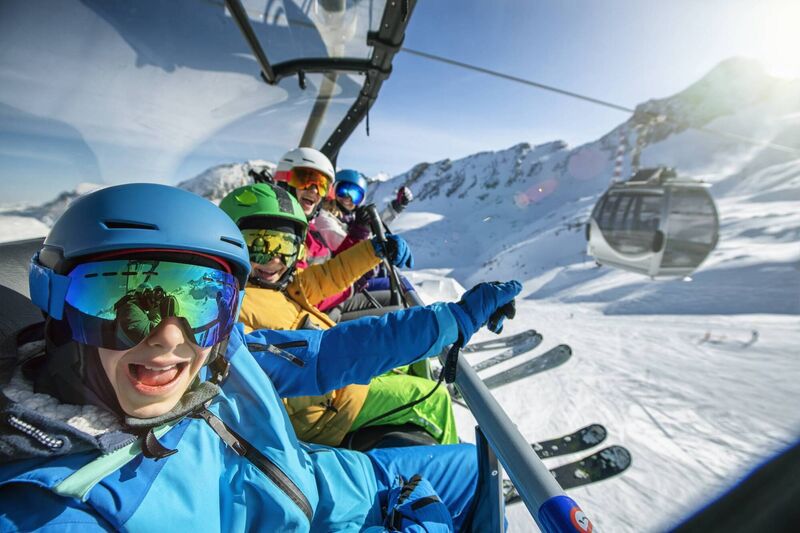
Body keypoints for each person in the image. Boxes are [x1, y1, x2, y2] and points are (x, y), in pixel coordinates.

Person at [0, 183, 521, 531]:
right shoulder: (63, 507)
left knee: (491, 471)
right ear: (56, 303)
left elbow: (326, 351)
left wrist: (453, 320)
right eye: (116, 300)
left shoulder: (224, 355)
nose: (168, 337)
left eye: (203, 299)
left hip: (349, 480)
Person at [220, 183, 455, 447]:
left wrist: (375, 250)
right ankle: (466, 480)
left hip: (340, 380)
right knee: (434, 401)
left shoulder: (282, 287)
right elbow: (273, 379)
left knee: (409, 362)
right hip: (329, 406)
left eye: (285, 247)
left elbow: (331, 274)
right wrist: (353, 365)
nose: (274, 261)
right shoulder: (233, 308)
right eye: (259, 246)